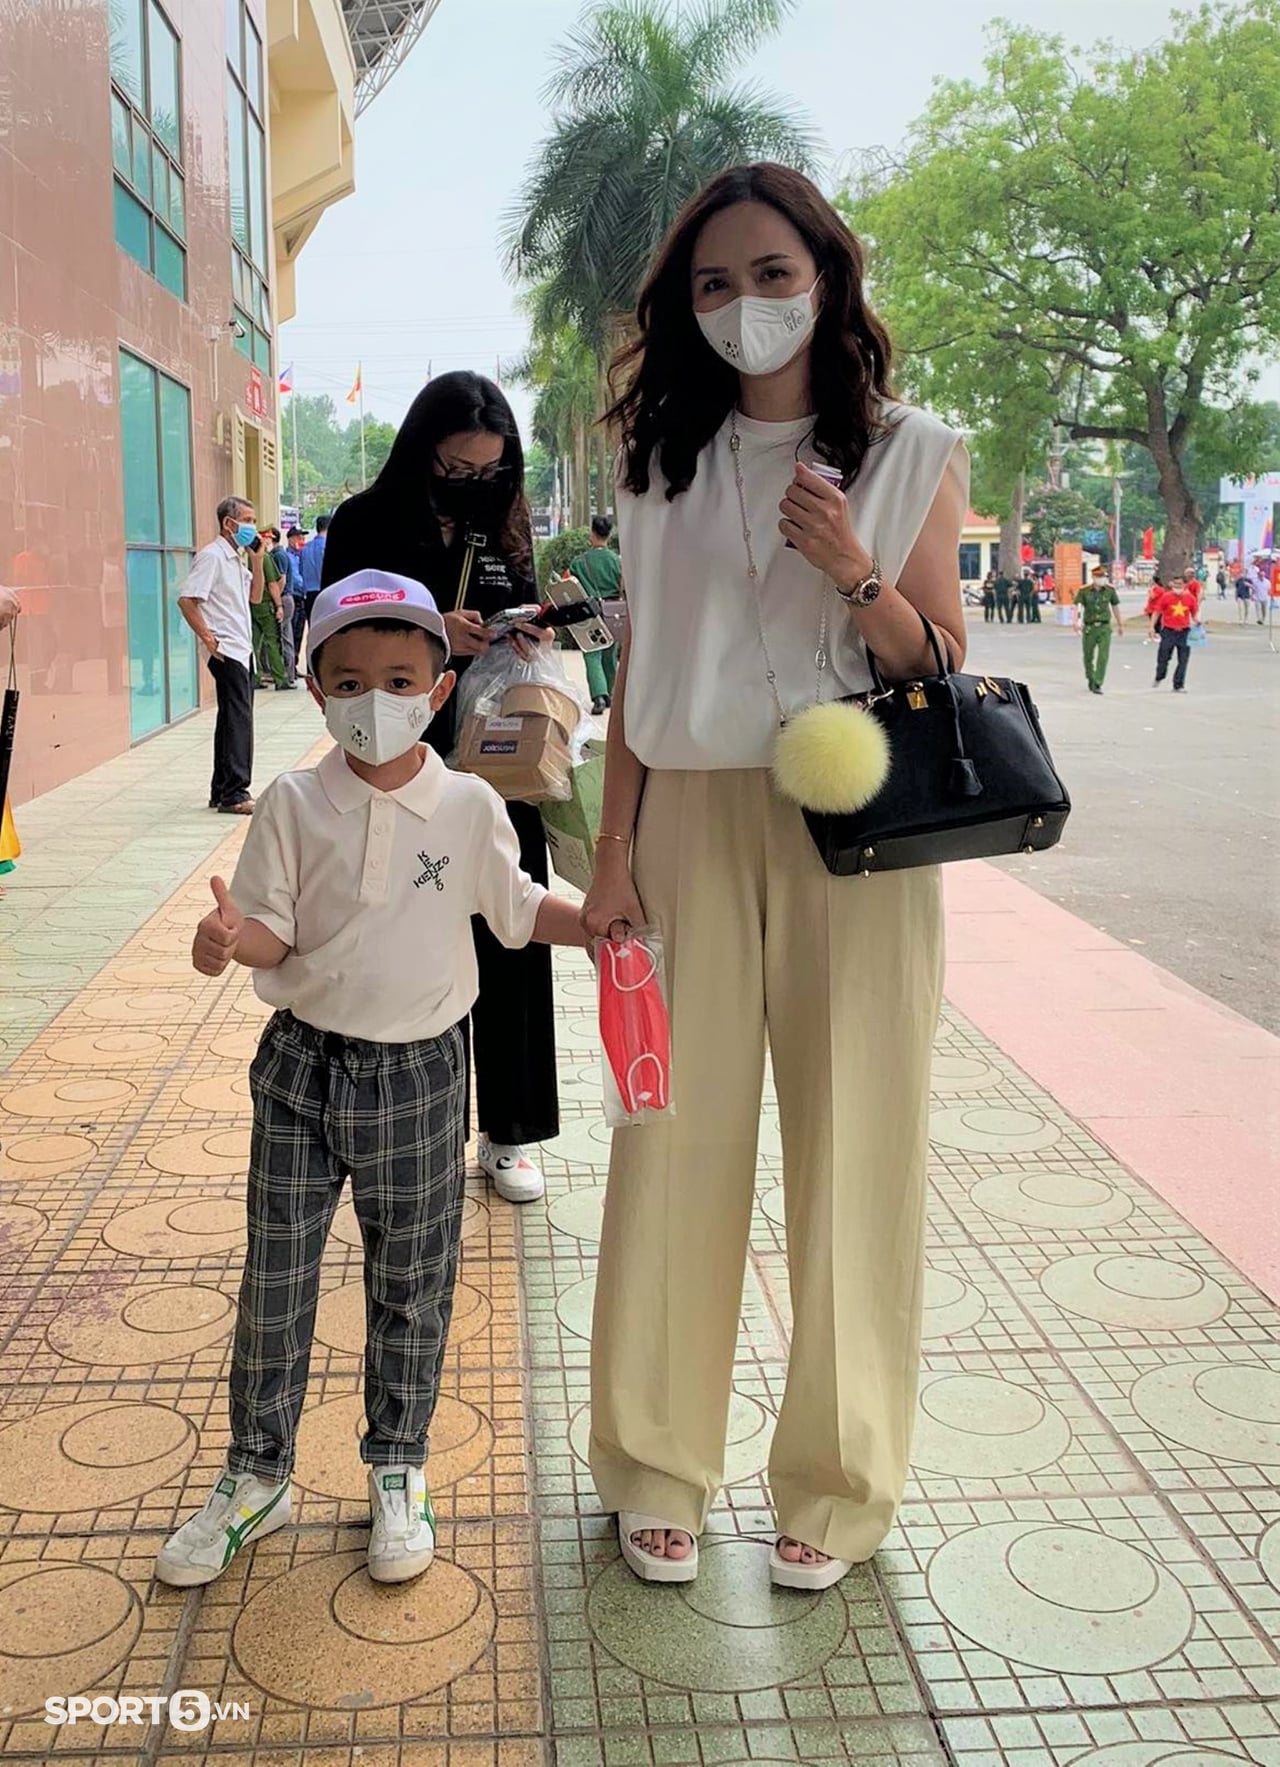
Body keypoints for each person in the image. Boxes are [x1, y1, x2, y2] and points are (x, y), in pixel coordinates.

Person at [582, 162, 968, 1591]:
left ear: (828, 279)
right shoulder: (654, 466)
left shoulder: (911, 448)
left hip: (853, 828)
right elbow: (635, 684)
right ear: (688, 308)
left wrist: (856, 570)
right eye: (714, 283)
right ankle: (656, 1457)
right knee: (671, 1137)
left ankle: (838, 1475)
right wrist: (610, 859)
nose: (745, 304)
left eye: (772, 273)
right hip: (684, 816)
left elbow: (940, 659)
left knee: (855, 1143)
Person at [154, 572, 587, 1591]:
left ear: (438, 689)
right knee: (276, 1280)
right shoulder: (296, 803)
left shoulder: (470, 804)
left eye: (397, 677)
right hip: (300, 1068)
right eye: (346, 680)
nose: (372, 699)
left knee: (411, 1284)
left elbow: (519, 909)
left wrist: (606, 921)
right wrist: (222, 942)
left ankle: (397, 1466)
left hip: (423, 1080)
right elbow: (268, 926)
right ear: (314, 689)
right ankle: (256, 1475)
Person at [322, 371, 560, 1206]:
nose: (475, 483)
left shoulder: (507, 524)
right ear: (423, 449)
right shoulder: (367, 521)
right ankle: (389, 1119)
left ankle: (513, 1129)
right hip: (397, 758)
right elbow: (334, 632)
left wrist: (525, 630)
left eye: (491, 469)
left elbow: (516, 609)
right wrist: (432, 632)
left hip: (496, 763)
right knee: (393, 934)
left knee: (512, 927)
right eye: (457, 468)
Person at [177, 497, 262, 814]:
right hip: (227, 649)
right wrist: (209, 639)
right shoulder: (212, 557)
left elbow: (255, 597)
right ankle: (235, 792)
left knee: (232, 718)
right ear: (229, 523)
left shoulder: (235, 559)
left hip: (242, 647)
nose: (252, 526)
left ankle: (222, 789)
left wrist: (257, 560)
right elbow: (187, 600)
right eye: (248, 519)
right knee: (239, 718)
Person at [568, 516, 624, 712]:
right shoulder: (617, 561)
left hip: (588, 613)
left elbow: (568, 585)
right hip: (613, 613)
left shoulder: (579, 562)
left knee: (592, 654)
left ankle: (599, 697)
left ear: (592, 534)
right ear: (609, 535)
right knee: (610, 654)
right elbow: (623, 586)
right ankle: (611, 695)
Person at [1073, 563, 1125, 693]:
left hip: (1104, 627)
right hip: (1090, 628)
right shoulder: (1084, 591)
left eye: (1104, 576)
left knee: (1103, 656)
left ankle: (1098, 681)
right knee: (1088, 656)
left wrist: (1120, 624)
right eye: (1099, 576)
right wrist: (1076, 622)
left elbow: (1115, 607)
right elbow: (1077, 607)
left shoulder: (1109, 590)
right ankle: (1090, 678)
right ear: (1093, 577)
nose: (1102, 579)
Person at [251, 529, 291, 691]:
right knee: (273, 642)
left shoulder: (249, 559)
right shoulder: (265, 559)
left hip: (253, 605)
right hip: (266, 605)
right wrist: (279, 606)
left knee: (254, 642)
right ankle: (280, 678)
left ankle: (256, 676)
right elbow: (273, 584)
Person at [1152, 575, 1199, 691]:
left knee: (1183, 659)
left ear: (1184, 585)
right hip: (1168, 631)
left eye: (1180, 584)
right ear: (1171, 584)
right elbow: (1157, 612)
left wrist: (1197, 620)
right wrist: (1151, 627)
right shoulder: (1165, 597)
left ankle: (1178, 684)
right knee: (1163, 657)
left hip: (1184, 631)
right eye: (1175, 584)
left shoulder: (1190, 599)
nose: (1178, 587)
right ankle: (1159, 676)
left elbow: (1195, 612)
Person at [265, 527, 299, 686]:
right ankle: (288, 674)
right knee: (286, 637)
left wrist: (276, 602)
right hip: (285, 599)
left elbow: (281, 580)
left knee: (283, 638)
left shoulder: (278, 555)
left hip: (283, 599)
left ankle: (286, 675)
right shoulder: (278, 554)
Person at [298, 513, 330, 654]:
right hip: (325, 593)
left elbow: (300, 571)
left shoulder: (305, 548)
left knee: (313, 631)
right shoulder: (328, 547)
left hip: (309, 595)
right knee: (327, 632)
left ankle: (311, 668)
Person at [1251, 560, 1271, 626]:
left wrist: (1271, 597)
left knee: (1264, 610)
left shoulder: (1267, 582)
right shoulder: (1256, 582)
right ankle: (1259, 619)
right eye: (1260, 575)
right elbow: (1254, 589)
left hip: (1264, 598)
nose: (1261, 576)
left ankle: (1263, 619)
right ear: (1259, 575)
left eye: (1263, 575)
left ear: (1264, 575)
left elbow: (1269, 590)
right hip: (1257, 598)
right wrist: (1252, 596)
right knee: (1258, 609)